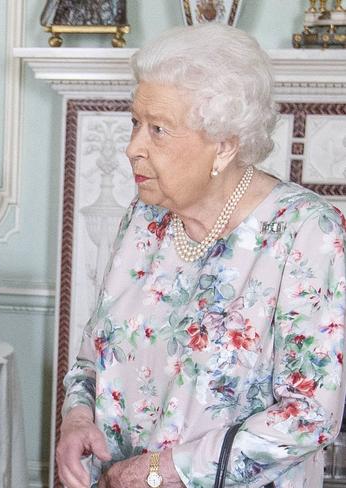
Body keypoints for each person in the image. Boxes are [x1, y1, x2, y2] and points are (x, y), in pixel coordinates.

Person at [56, 23, 346, 488]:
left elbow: (309, 416)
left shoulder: (306, 232)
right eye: (135, 122)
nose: (133, 147)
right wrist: (76, 419)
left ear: (225, 145)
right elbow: (94, 355)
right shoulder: (145, 218)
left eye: (158, 130)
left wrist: (157, 473)